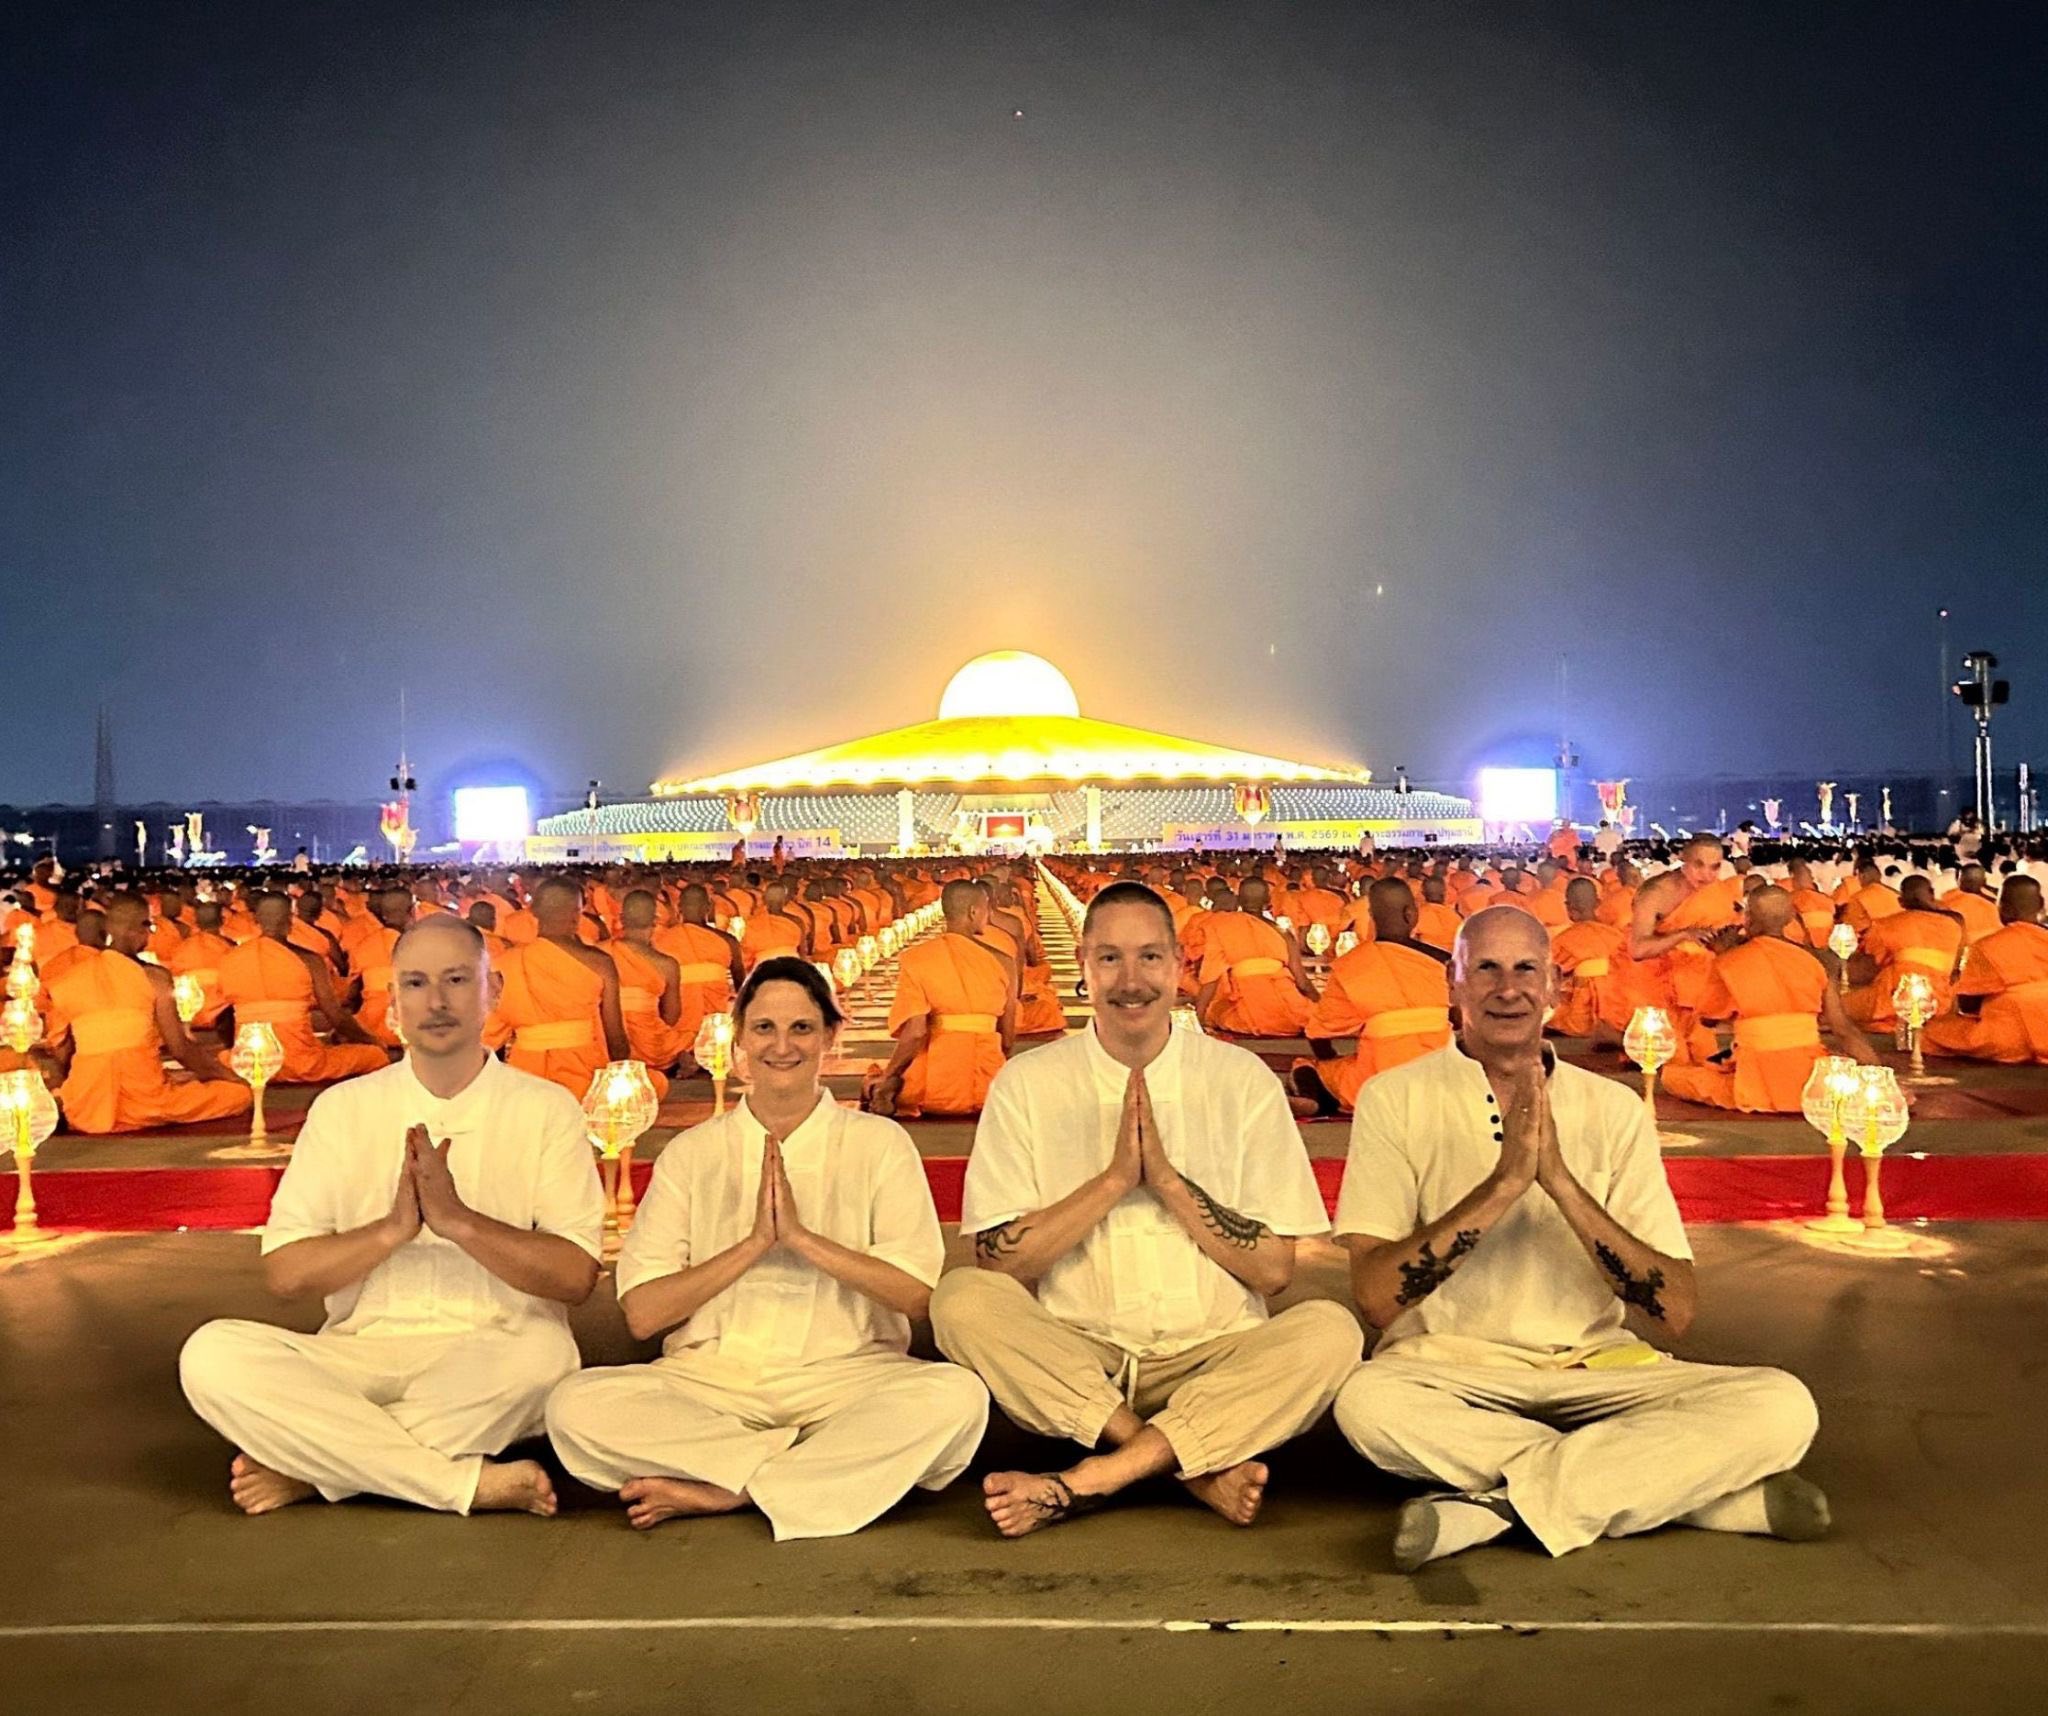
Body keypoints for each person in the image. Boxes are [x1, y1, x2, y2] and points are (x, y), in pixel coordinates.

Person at [1330, 907, 1826, 1570]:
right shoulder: (1395, 1098)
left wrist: (1561, 1184)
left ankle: (1500, 1505)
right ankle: (1693, 1496)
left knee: (1782, 1406)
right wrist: (1504, 1186)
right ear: (1452, 984)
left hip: (1597, 1369)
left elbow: (1674, 1310)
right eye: (1486, 969)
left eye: (1526, 969)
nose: (1508, 988)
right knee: (1365, 1402)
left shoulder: (1611, 1107)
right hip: (1449, 1373)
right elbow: (1376, 1300)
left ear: (1554, 988)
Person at [931, 882, 1360, 1535]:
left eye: (1150, 958)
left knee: (1332, 1331)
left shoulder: (1239, 1081)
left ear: (1179, 965)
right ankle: (1188, 1466)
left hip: (1216, 1356)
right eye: (1110, 959)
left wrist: (1168, 1183)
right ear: (1083, 963)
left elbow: (1274, 1272)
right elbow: (999, 1266)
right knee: (961, 1300)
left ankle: (1091, 1478)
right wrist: (1110, 1183)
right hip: (1083, 1356)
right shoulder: (1030, 1083)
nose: (1131, 981)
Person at [178, 913, 605, 1517]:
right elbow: (286, 1274)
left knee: (548, 1358)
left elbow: (575, 1278)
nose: (436, 1002)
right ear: (394, 1002)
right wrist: (391, 1231)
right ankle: (458, 1483)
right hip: (358, 1354)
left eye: (457, 980)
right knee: (212, 1354)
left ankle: (319, 1470)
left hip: (492, 1354)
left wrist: (459, 1222)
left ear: (494, 991)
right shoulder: (344, 1109)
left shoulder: (546, 1109)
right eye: (415, 984)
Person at [546, 958, 988, 1538]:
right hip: (712, 1381)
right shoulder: (694, 1153)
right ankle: (805, 1471)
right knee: (574, 1405)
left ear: (832, 1037)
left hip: (848, 1376)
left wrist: (804, 1241)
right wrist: (753, 1245)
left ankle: (731, 1487)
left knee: (955, 1396)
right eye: (765, 1029)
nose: (783, 1046)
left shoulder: (879, 1144)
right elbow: (644, 1313)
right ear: (739, 1041)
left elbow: (915, 1295)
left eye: (802, 1028)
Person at [46, 895, 253, 1134]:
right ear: (140, 929)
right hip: (147, 1099)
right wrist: (228, 1077)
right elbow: (180, 1048)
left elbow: (60, 1048)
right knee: (239, 1095)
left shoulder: (69, 979)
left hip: (86, 1105)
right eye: (149, 926)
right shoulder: (154, 978)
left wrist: (76, 1089)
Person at [1662, 888, 1877, 1111]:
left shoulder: (1730, 960)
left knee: (1673, 1077)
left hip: (1752, 1080)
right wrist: (1879, 1079)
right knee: (1842, 1075)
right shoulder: (1820, 960)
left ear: (1748, 919)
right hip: (1810, 1082)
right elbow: (1842, 1029)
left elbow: (1709, 1019)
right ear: (1789, 918)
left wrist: (1723, 953)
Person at [1291, 878, 1452, 1116]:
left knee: (1305, 1067)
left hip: (1380, 1076)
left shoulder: (1352, 964)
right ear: (1411, 915)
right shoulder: (1446, 961)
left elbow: (1318, 1033)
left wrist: (1331, 1061)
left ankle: (1316, 1097)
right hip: (1445, 1072)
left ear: (1371, 916)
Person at [864, 880, 1014, 1118]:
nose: (989, 914)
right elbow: (1007, 1037)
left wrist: (890, 1073)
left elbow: (915, 1033)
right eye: (987, 908)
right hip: (989, 1084)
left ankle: (891, 1088)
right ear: (973, 912)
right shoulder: (1005, 961)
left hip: (932, 1084)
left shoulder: (918, 958)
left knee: (879, 1078)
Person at [217, 893, 390, 1085]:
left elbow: (223, 1018)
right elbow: (335, 1016)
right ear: (291, 920)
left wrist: (236, 1047)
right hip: (303, 1064)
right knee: (374, 1055)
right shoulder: (308, 959)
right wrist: (371, 1040)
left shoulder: (232, 959)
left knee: (224, 1059)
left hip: (252, 1062)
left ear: (256, 919)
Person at [493, 878, 640, 1101]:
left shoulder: (507, 962)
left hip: (524, 1078)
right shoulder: (599, 962)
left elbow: (489, 1033)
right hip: (585, 1077)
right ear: (577, 914)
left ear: (533, 911)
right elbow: (616, 1037)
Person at [1923, 877, 2048, 1064]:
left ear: (2003, 907)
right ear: (2041, 905)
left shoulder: (1988, 946)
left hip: (2009, 1037)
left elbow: (1968, 1004)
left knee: (1931, 1033)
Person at [1196, 877, 1316, 1036]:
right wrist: (1321, 1007)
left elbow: (1210, 979)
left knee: (1216, 1010)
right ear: (1268, 901)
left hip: (1250, 1013)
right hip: (1290, 1014)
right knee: (1309, 1013)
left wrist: (1197, 1017)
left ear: (1238, 899)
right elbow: (1303, 983)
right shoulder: (1283, 933)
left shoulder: (1222, 925)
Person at [1842, 876, 1965, 1032]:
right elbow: (1956, 970)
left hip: (1894, 999)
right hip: (1940, 1003)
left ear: (1900, 902)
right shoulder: (1953, 924)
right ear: (1932, 894)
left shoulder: (1885, 925)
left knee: (1836, 1007)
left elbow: (1868, 967)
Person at [609, 889, 691, 1076]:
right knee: (690, 1039)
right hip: (653, 1046)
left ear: (621, 919)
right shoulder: (666, 964)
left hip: (607, 1044)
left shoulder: (600, 955)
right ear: (655, 920)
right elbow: (671, 1016)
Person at [1545, 878, 1631, 1041]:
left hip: (1580, 1020)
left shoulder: (1561, 942)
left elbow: (1549, 981)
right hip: (1620, 1018)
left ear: (1569, 908)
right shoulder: (1619, 938)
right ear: (1598, 903)